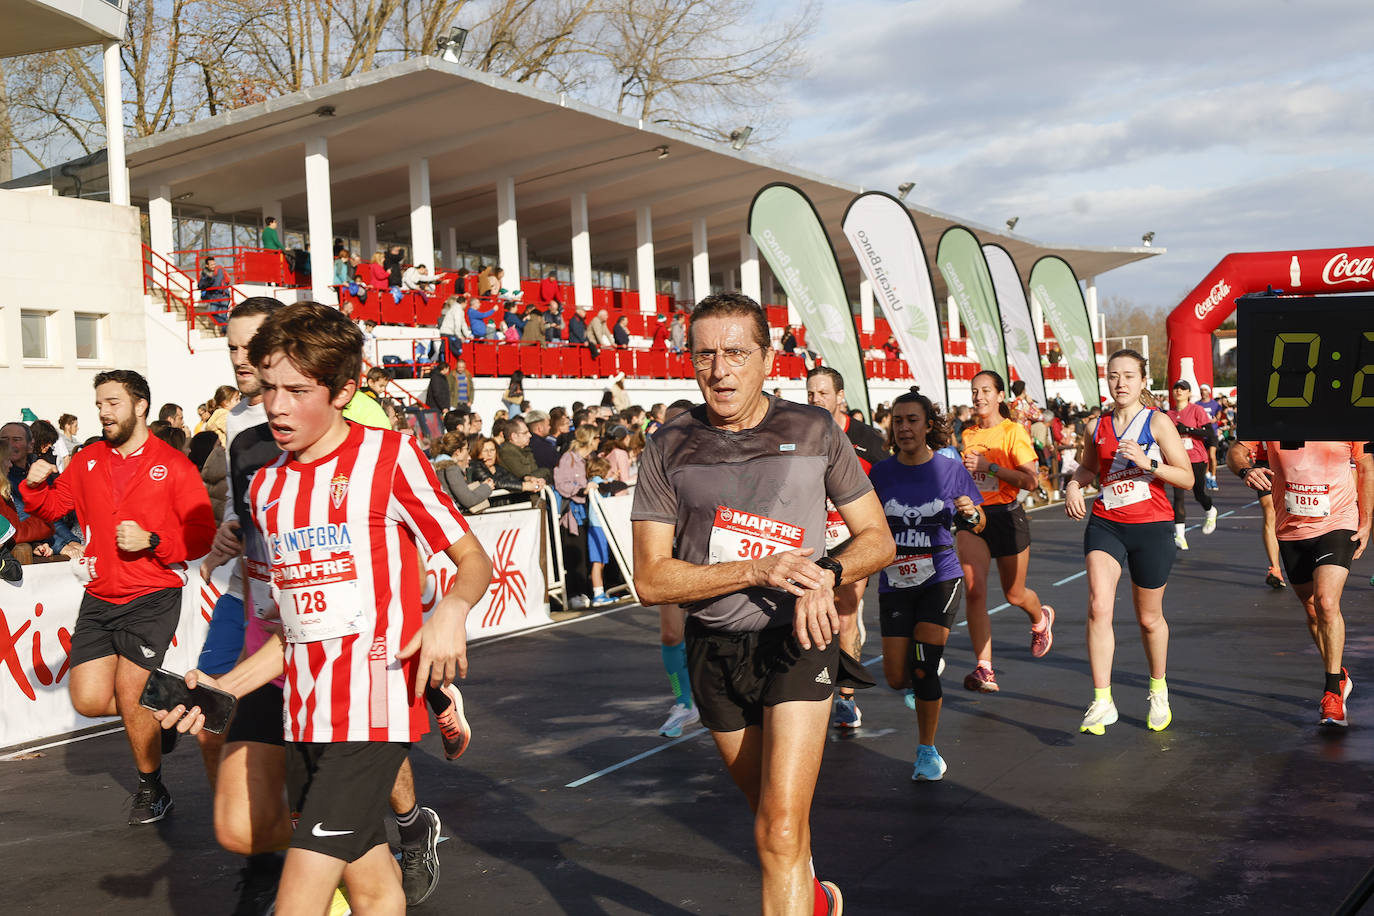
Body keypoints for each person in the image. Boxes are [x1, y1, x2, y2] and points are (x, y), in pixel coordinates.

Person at [156, 302, 492, 915]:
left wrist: (450, 612)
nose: (277, 406)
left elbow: (474, 559)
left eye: (298, 391)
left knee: (297, 904)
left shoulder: (390, 458)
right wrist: (216, 688)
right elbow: (292, 634)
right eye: (270, 388)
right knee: (373, 887)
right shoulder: (266, 488)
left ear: (344, 390)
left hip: (372, 717)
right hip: (303, 717)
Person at [632, 292, 894, 915]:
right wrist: (756, 567)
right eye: (704, 355)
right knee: (775, 823)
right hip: (715, 649)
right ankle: (814, 901)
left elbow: (878, 539)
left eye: (735, 354)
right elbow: (651, 580)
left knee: (778, 827)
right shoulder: (668, 445)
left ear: (767, 358)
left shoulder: (813, 429)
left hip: (798, 638)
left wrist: (824, 573)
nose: (719, 370)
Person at [21, 370, 215, 825]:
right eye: (99, 405)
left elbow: (202, 534)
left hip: (152, 594)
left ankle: (153, 788)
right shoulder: (89, 458)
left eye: (112, 403)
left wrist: (152, 540)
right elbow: (53, 510)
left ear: (140, 405)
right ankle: (162, 706)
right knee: (87, 699)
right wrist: (34, 484)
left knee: (130, 689)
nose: (103, 412)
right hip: (101, 597)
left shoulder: (175, 465)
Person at [1064, 350, 1194, 735]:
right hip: (1106, 522)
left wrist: (1148, 462)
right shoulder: (1096, 426)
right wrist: (1074, 484)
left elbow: (1186, 478)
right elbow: (1089, 467)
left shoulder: (1158, 423)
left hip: (1152, 526)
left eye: (1129, 376)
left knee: (1148, 618)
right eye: (1114, 376)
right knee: (1098, 605)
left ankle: (1158, 688)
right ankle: (1102, 699)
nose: (1121, 383)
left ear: (1142, 381)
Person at [869, 387, 981, 780]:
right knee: (897, 677)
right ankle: (925, 663)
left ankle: (927, 751)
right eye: (897, 421)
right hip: (895, 581)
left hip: (940, 576)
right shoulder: (881, 473)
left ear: (928, 425)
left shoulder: (950, 470)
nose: (903, 428)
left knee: (922, 670)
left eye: (912, 420)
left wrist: (969, 514)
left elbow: (978, 521)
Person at [1229, 438, 1373, 727]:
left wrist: (1367, 520)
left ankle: (1332, 693)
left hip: (1338, 520)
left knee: (1326, 602)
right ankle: (1339, 675)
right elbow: (1236, 450)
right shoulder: (1274, 417)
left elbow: (1366, 466)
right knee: (1311, 608)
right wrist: (1245, 470)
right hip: (1291, 528)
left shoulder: (1343, 415)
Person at [958, 369, 1055, 692]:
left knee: (1014, 594)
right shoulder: (967, 434)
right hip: (973, 518)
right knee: (974, 590)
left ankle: (1040, 619)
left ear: (1000, 396)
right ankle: (984, 668)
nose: (979, 397)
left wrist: (991, 468)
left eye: (986, 390)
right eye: (974, 391)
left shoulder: (1013, 432)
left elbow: (1031, 481)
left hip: (1007, 516)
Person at [805, 366, 890, 728]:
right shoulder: (800, 433)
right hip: (810, 539)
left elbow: (889, 485)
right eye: (810, 394)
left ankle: (846, 698)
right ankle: (811, 686)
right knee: (810, 613)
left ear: (840, 396)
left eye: (822, 393)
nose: (815, 400)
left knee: (844, 614)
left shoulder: (867, 438)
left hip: (852, 539)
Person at [653, 399, 701, 738]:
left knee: (711, 630)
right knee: (671, 634)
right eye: (666, 423)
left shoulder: (707, 456)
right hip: (669, 555)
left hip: (704, 556)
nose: (670, 429)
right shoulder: (657, 458)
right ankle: (684, 702)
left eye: (677, 422)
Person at [1165, 380, 1218, 549]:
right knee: (1178, 497)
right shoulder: (1168, 415)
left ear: (1189, 393)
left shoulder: (1197, 410)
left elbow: (1210, 432)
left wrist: (1188, 430)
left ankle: (1210, 510)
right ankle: (1180, 536)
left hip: (1196, 458)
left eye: (1183, 388)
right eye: (1176, 388)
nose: (1179, 391)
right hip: (1178, 460)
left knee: (1198, 493)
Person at [199, 256, 233, 327]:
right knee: (212, 313)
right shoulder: (205, 273)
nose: (214, 266)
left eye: (214, 264)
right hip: (214, 296)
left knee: (223, 315)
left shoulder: (219, 269)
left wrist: (208, 286)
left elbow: (216, 284)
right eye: (211, 265)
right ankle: (226, 327)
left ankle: (225, 329)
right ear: (207, 265)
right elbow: (200, 284)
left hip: (223, 294)